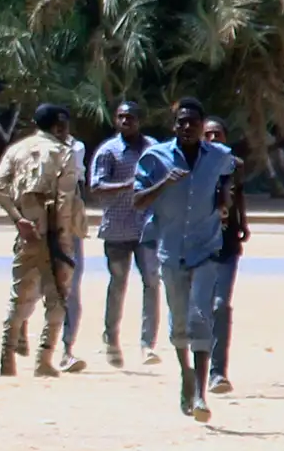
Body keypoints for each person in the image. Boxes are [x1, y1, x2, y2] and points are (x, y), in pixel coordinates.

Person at [133, 97, 234, 422]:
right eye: (181, 121)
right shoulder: (155, 157)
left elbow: (234, 170)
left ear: (203, 125)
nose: (187, 126)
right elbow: (137, 201)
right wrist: (165, 182)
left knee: (200, 318)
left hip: (205, 251)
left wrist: (224, 198)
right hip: (171, 252)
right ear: (173, 125)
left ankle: (202, 394)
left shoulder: (218, 156)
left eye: (193, 121)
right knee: (179, 326)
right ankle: (186, 377)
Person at [0, 104, 78, 377]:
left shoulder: (17, 150)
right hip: (54, 234)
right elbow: (65, 199)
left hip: (27, 233)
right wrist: (63, 237)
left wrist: (19, 219)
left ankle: (7, 359)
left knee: (19, 296)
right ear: (58, 126)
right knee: (57, 298)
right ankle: (44, 359)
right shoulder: (64, 153)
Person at [90, 101, 162, 368]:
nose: (125, 121)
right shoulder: (108, 152)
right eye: (121, 117)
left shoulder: (153, 149)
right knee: (118, 284)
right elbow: (96, 187)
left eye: (130, 117)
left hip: (147, 228)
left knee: (152, 282)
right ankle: (111, 340)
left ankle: (148, 345)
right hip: (117, 228)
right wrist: (126, 185)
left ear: (140, 120)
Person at [16, 133, 89, 373]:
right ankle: (22, 326)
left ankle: (66, 350)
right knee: (36, 284)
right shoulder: (30, 151)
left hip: (66, 230)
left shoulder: (75, 147)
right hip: (42, 229)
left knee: (70, 290)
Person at [203, 116, 249, 395]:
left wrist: (243, 223)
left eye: (217, 134)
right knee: (200, 310)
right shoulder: (194, 166)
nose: (212, 139)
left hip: (227, 246)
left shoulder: (235, 166)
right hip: (198, 247)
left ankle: (218, 372)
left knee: (221, 305)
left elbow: (239, 195)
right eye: (207, 134)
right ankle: (196, 370)